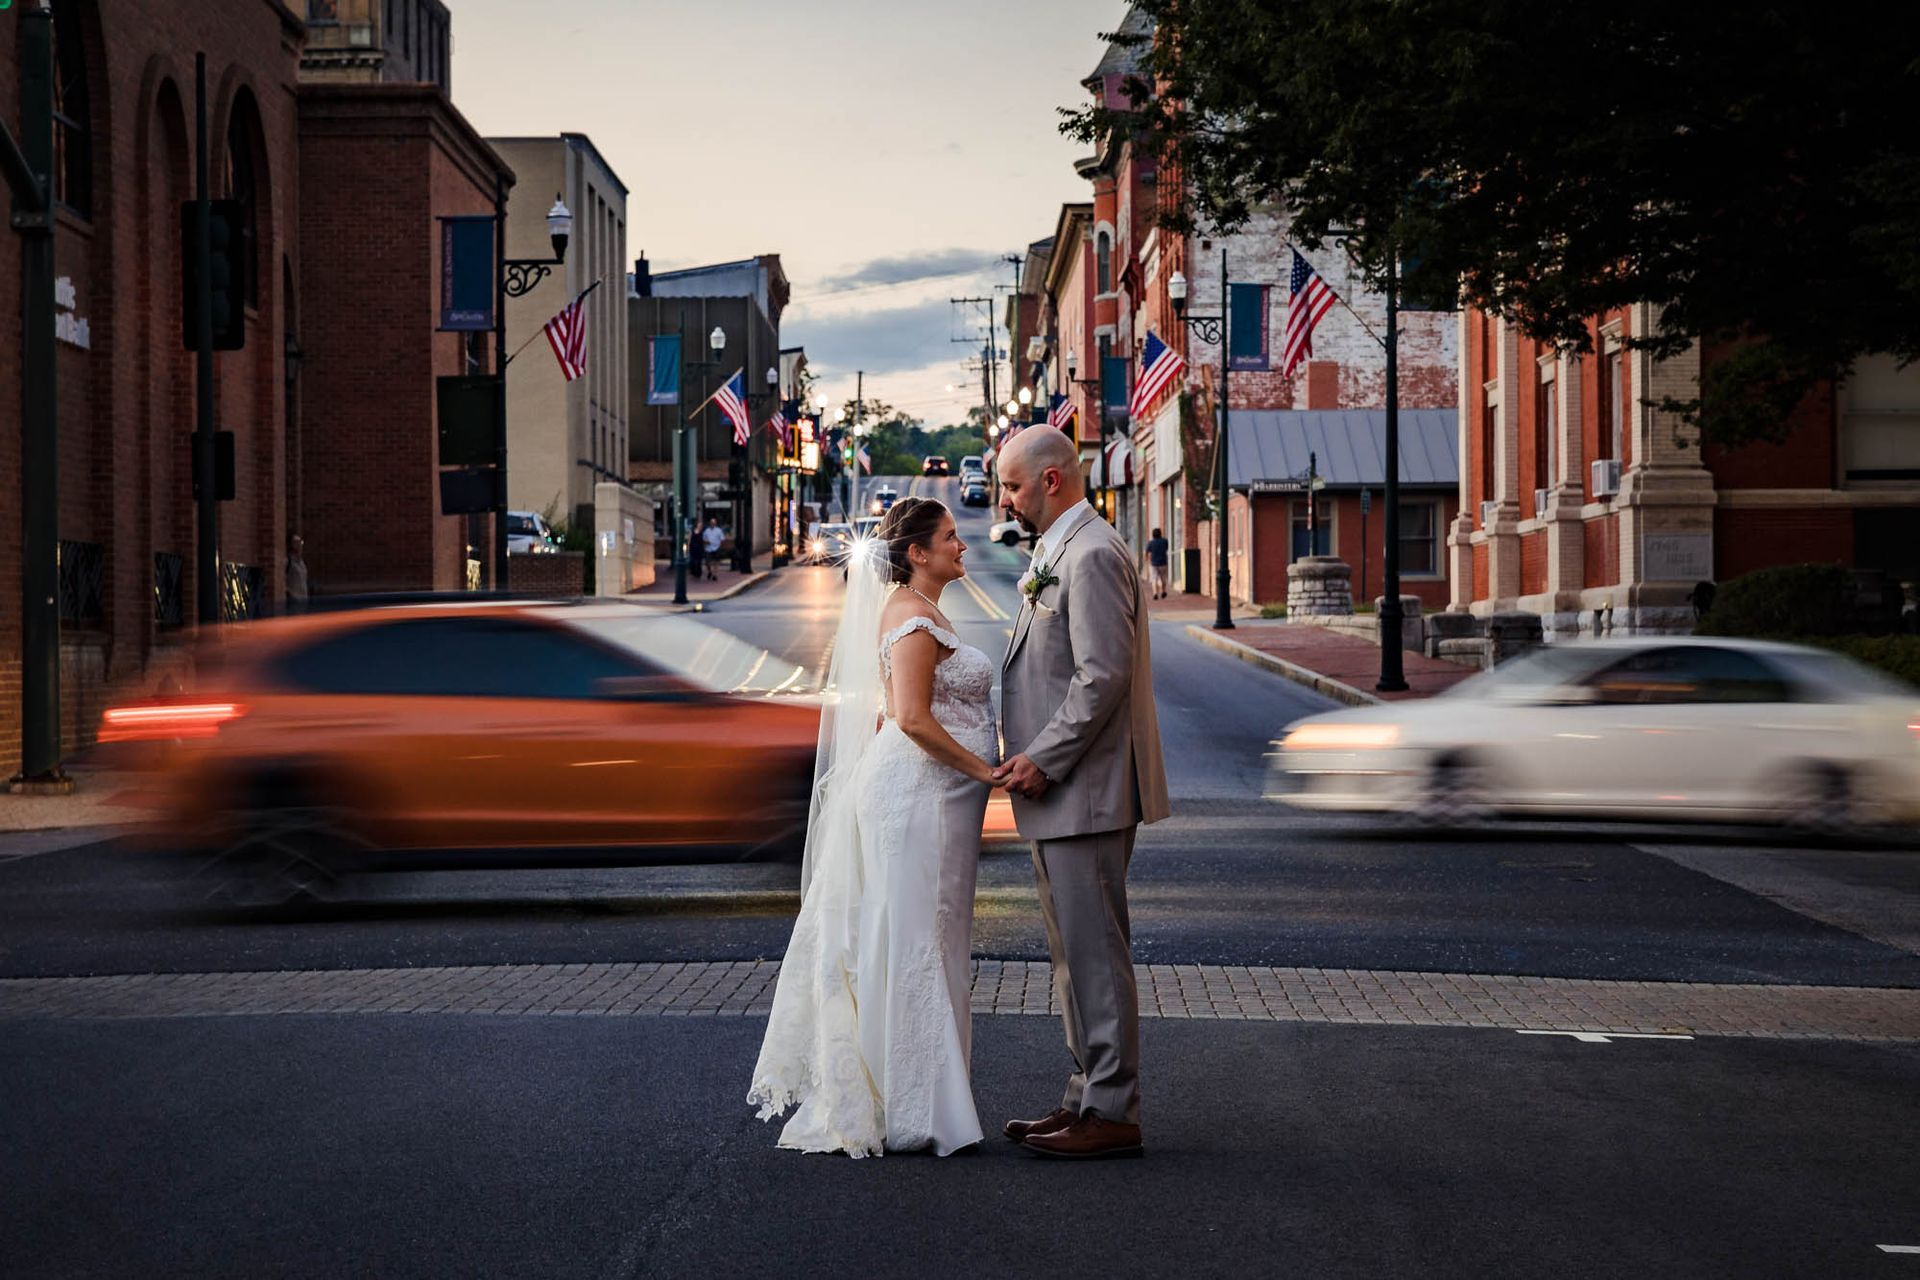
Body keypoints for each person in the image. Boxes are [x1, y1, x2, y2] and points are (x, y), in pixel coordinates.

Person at [749, 498, 999, 1157]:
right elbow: (913, 718)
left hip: (931, 797)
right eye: (950, 538)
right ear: (918, 553)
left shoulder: (920, 610)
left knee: (925, 935)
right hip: (920, 798)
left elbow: (899, 712)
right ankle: (920, 1108)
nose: (961, 547)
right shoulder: (913, 617)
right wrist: (987, 772)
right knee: (917, 938)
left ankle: (916, 1093)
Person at [992, 425, 1170, 1160]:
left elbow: (1102, 678)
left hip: (1084, 789)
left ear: (1052, 481)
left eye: (1011, 483)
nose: (1005, 497)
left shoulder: (1092, 554)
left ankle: (1112, 1109)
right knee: (1073, 955)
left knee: (1095, 953)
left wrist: (1043, 758)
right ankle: (1085, 1097)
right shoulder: (1057, 549)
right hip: (1061, 794)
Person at [285, 533, 310, 614]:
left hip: (303, 601)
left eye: (300, 542)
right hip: (294, 602)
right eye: (296, 543)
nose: (299, 545)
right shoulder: (288, 561)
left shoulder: (302, 562)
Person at [1145, 527, 1170, 600]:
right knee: (1163, 578)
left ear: (1153, 534)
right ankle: (1163, 591)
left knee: (1154, 579)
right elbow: (1166, 548)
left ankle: (1155, 593)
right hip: (1163, 562)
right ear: (1160, 533)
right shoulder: (1165, 541)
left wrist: (1146, 559)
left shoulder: (1151, 543)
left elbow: (1146, 552)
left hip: (1154, 563)